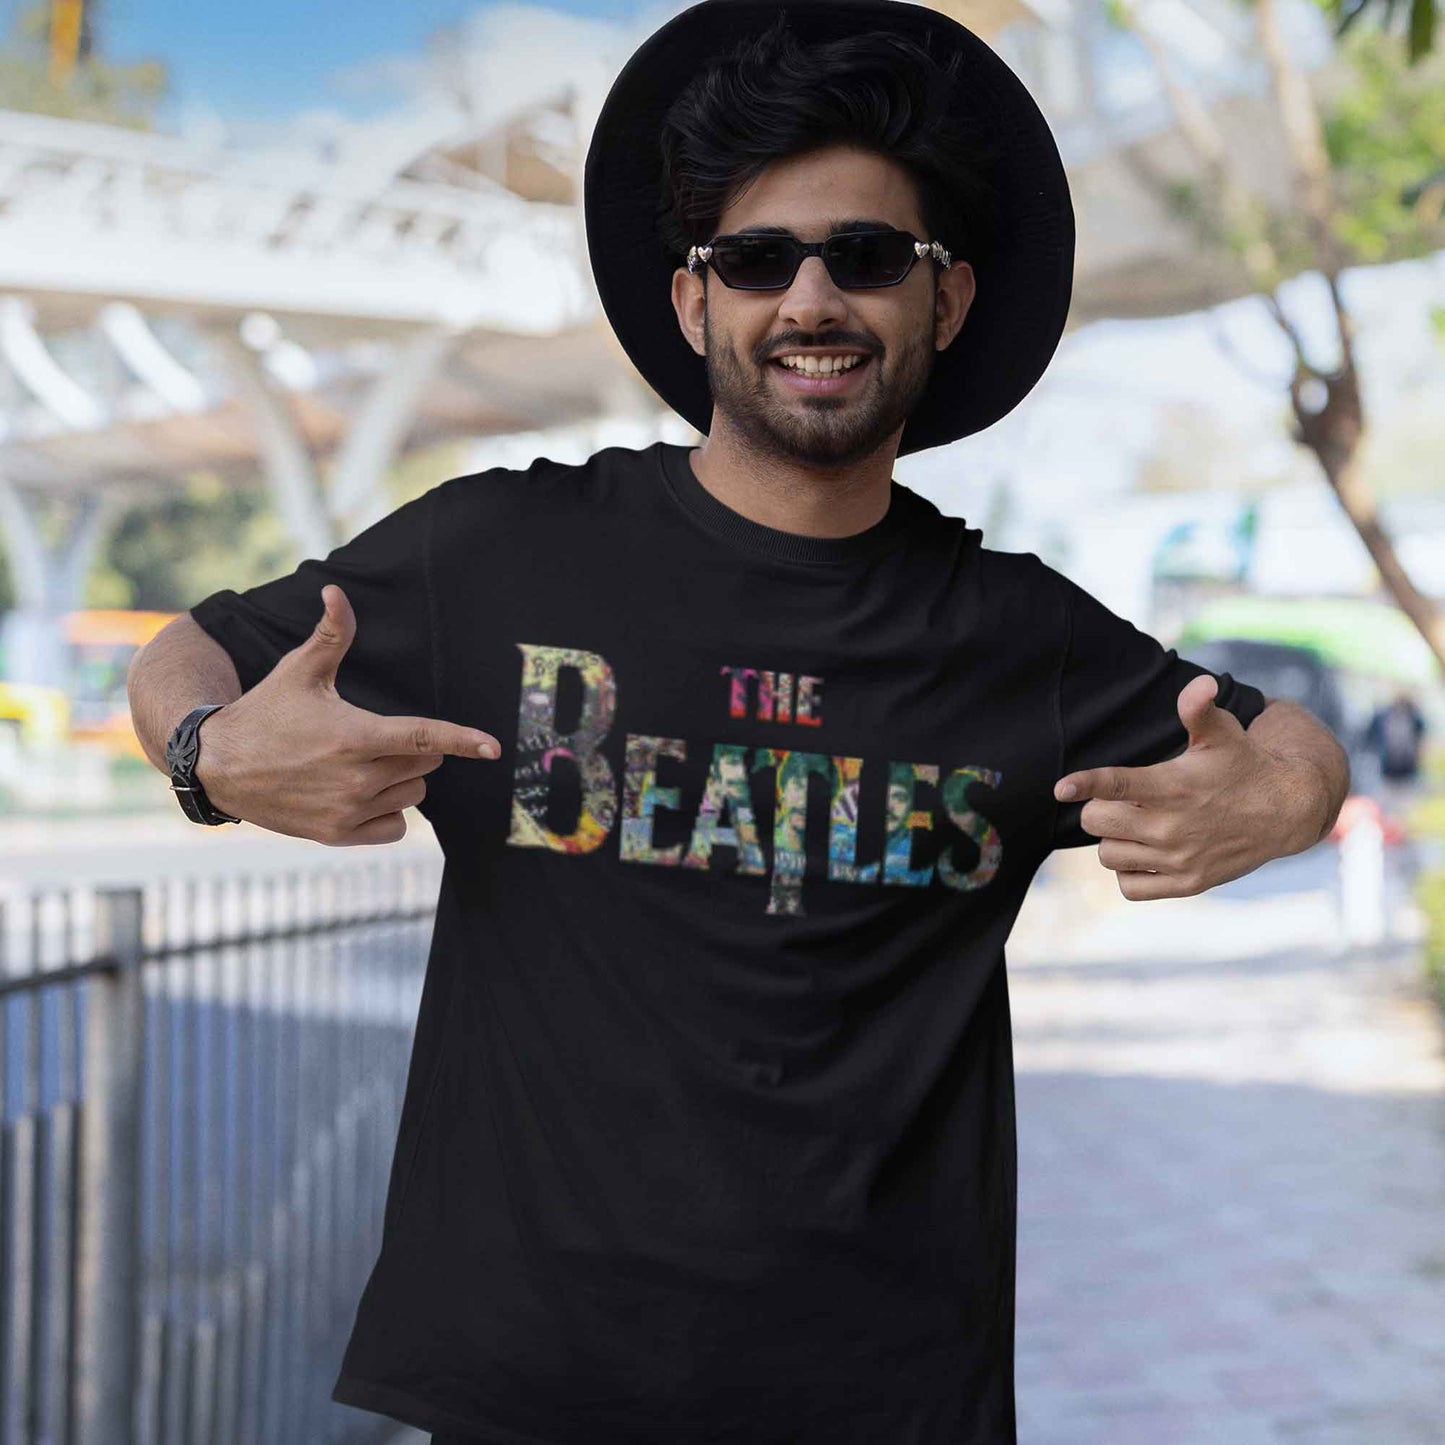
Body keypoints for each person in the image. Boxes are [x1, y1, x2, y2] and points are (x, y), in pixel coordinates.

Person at [127, 2, 1349, 1441]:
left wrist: (1283, 799)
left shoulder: (1018, 634)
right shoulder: (499, 552)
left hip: (881, 1402)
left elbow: (1288, 742)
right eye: (757, 259)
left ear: (946, 301)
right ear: (693, 302)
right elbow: (189, 649)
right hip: (528, 1394)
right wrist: (209, 756)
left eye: (869, 256)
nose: (811, 301)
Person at [1364, 688, 1427, 816]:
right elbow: (1369, 738)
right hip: (1386, 770)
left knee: (1405, 810)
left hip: (1407, 770)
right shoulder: (1381, 716)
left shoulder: (1415, 718)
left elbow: (1420, 739)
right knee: (1386, 809)